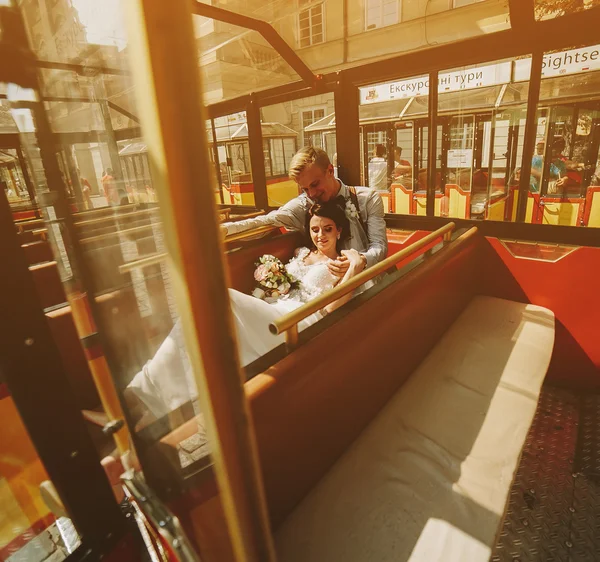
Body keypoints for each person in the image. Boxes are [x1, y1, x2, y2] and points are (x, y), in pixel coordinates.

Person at [128, 197, 366, 419]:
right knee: (199, 325)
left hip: (299, 321)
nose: (320, 235)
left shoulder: (341, 264)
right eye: (315, 229)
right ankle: (155, 396)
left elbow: (332, 310)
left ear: (339, 231)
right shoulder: (301, 252)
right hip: (273, 308)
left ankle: (148, 393)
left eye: (328, 229)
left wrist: (355, 267)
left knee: (219, 298)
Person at [222, 146, 387, 279]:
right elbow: (267, 221)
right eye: (305, 188)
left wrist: (361, 261)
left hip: (366, 278)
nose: (311, 194)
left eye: (315, 184)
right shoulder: (303, 204)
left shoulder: (367, 198)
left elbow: (379, 247)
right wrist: (226, 230)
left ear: (330, 170)